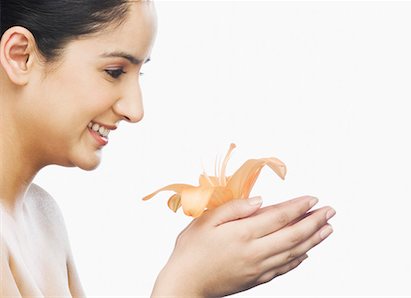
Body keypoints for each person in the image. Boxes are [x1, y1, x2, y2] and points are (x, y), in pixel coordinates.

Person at [0, 0, 336, 297]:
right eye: (114, 72)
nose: (135, 109)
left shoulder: (43, 219)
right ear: (21, 55)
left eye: (139, 73)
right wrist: (185, 283)